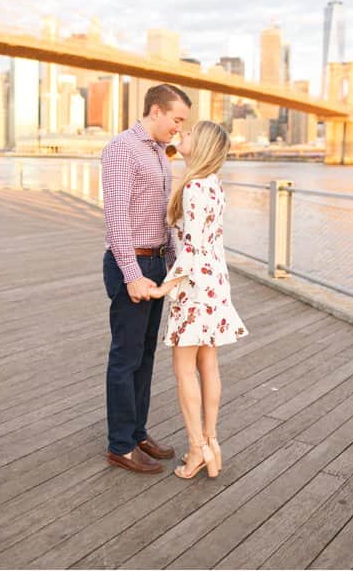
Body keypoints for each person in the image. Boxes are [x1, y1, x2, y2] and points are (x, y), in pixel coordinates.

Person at [149, 120, 248, 479]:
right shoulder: (214, 185)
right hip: (215, 282)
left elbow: (190, 247)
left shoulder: (193, 187)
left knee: (183, 369)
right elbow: (209, 242)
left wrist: (165, 286)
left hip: (193, 286)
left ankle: (196, 450)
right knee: (209, 365)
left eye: (187, 135)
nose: (181, 136)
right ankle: (212, 442)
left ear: (202, 145)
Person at [101, 83, 192, 474]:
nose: (179, 127)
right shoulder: (122, 149)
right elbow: (117, 219)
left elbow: (162, 219)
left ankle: (137, 431)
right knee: (125, 356)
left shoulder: (159, 153)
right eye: (177, 119)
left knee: (145, 355)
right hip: (131, 266)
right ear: (156, 111)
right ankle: (120, 444)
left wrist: (173, 265)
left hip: (156, 263)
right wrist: (132, 275)